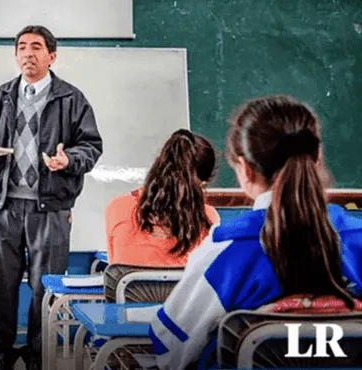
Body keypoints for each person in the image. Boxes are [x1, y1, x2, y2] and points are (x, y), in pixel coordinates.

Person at [144, 95, 362, 369]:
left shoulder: (228, 249)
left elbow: (172, 349)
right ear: (317, 159)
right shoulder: (358, 239)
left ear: (244, 169)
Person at [0, 25, 103, 370]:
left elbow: (91, 146)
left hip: (51, 209)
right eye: (22, 47)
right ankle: (1, 356)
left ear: (51, 56)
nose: (28, 53)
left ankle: (37, 357)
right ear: (15, 55)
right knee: (1, 286)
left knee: (46, 290)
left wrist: (68, 160)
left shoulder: (72, 99)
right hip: (5, 205)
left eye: (36, 47)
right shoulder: (1, 96)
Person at [104, 129, 220, 267]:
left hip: (131, 289)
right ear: (201, 184)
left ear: (158, 166)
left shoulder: (118, 207)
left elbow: (114, 272)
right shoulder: (208, 218)